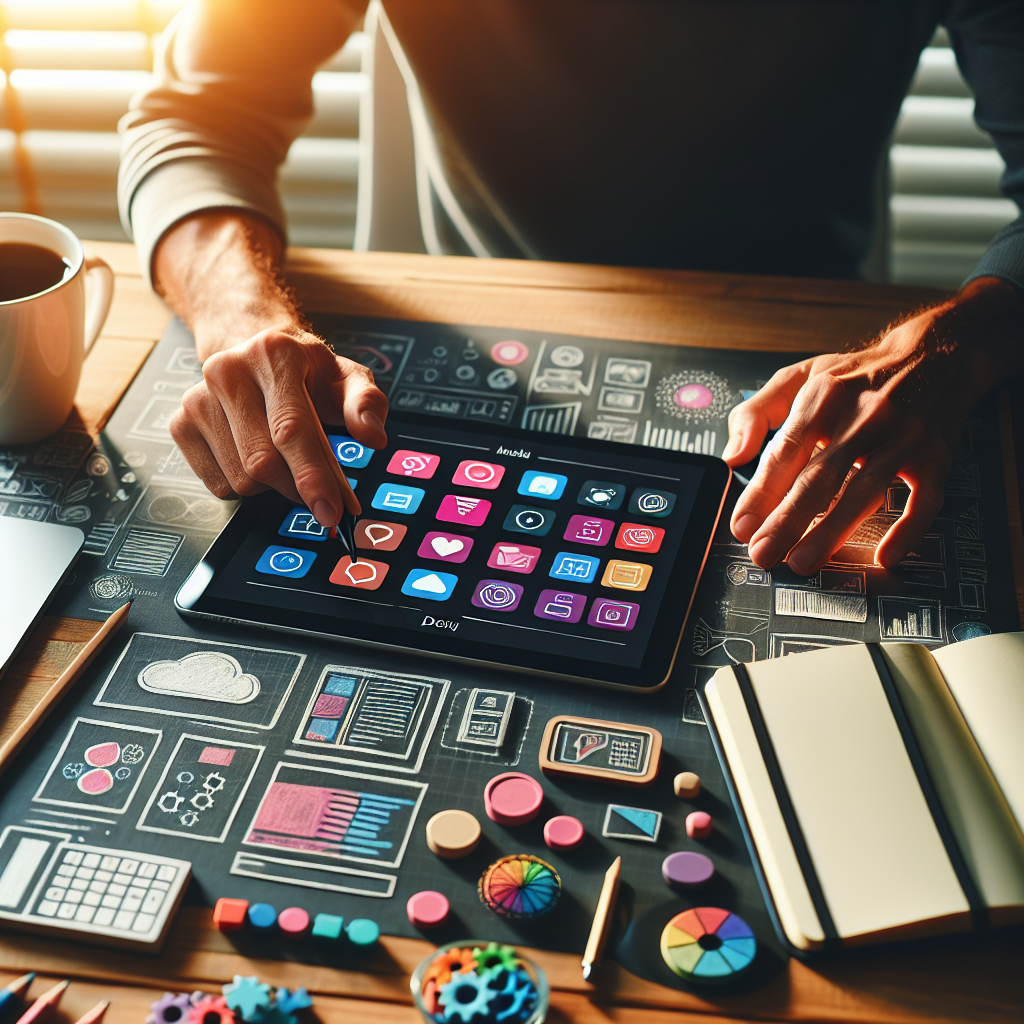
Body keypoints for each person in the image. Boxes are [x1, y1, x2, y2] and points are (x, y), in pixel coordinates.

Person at [118, 0, 1024, 575]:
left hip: (813, 367)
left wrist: (955, 342)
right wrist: (240, 314)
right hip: (445, 334)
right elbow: (194, 115)